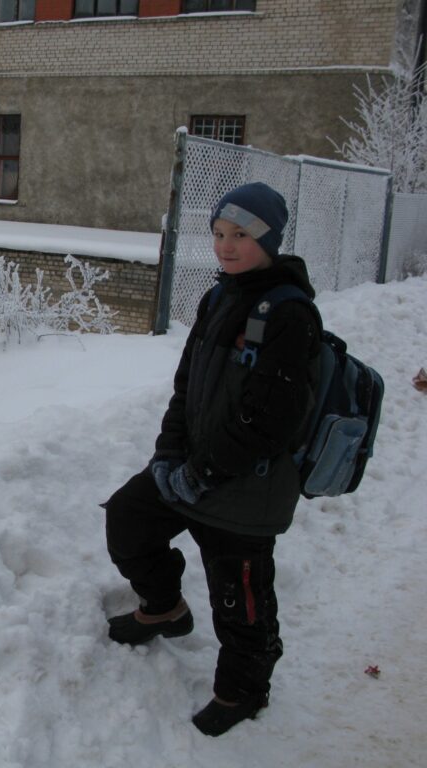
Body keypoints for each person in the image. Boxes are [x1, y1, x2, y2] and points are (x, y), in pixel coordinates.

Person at [104, 182, 321, 737]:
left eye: (241, 235)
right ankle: (164, 606)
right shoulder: (220, 297)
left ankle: (244, 689)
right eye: (220, 234)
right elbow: (187, 389)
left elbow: (269, 422)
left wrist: (200, 476)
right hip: (194, 467)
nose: (225, 246)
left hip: (250, 485)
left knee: (239, 595)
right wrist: (169, 455)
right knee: (130, 515)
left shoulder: (290, 315)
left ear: (269, 239)